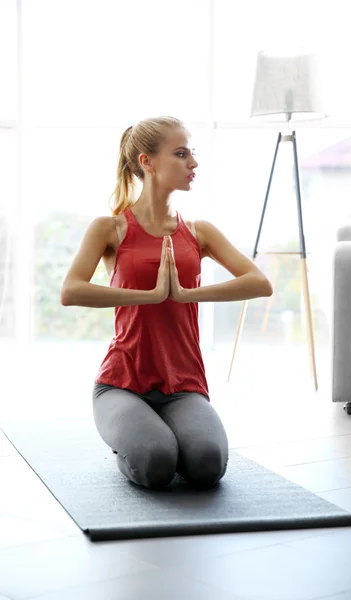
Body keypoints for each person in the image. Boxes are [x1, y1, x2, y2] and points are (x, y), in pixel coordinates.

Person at [61, 116, 273, 490]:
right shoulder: (111, 228)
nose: (193, 162)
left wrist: (188, 294)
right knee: (156, 464)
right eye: (180, 153)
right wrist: (150, 297)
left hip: (183, 383)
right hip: (122, 382)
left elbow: (259, 283)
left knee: (208, 465)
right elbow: (71, 290)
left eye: (192, 153)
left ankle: (160, 435)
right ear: (147, 162)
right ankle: (136, 437)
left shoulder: (199, 231)